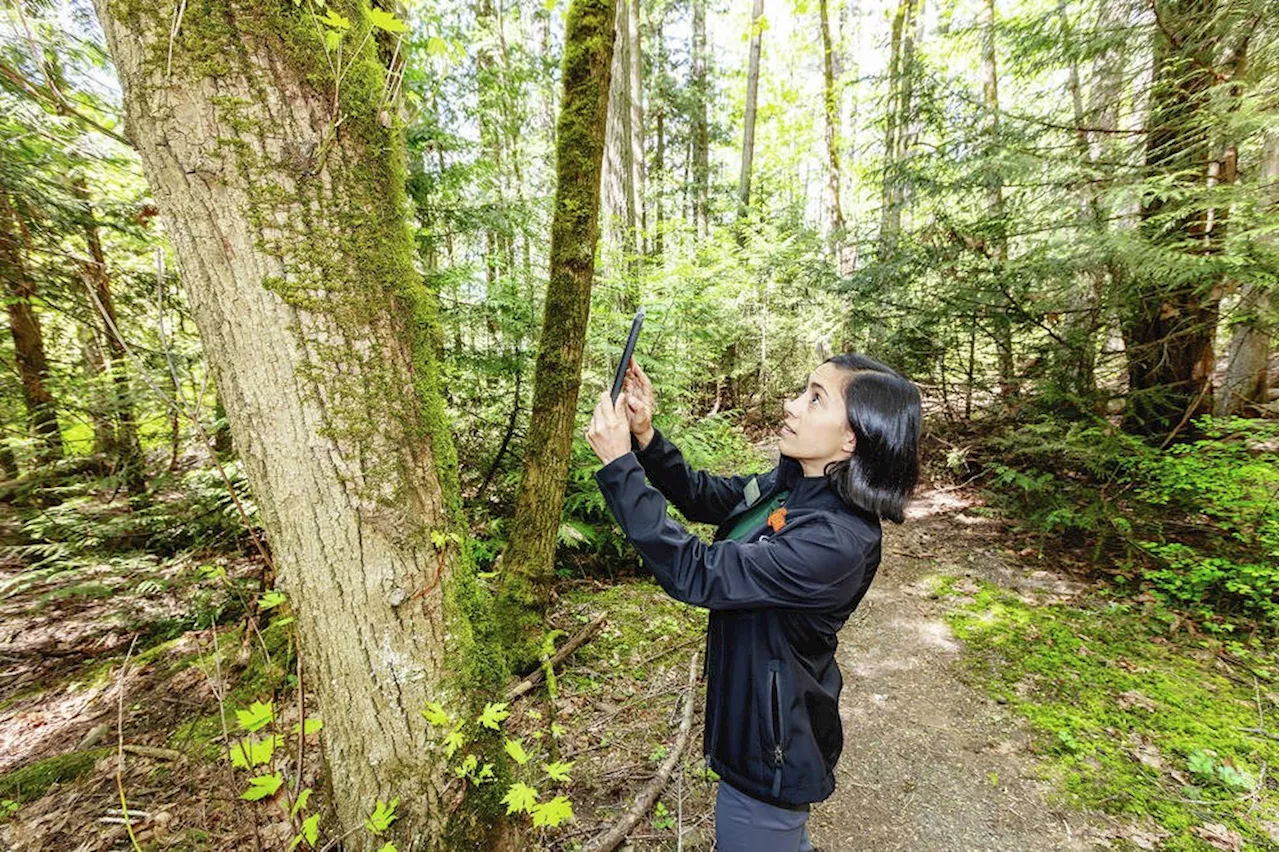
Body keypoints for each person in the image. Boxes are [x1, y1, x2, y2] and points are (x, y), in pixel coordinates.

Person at [585, 353, 922, 852]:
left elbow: (696, 571)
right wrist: (646, 440)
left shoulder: (837, 541)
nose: (791, 406)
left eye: (814, 398)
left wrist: (619, 468)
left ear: (852, 438)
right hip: (753, 720)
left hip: (773, 745)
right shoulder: (796, 485)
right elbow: (707, 496)